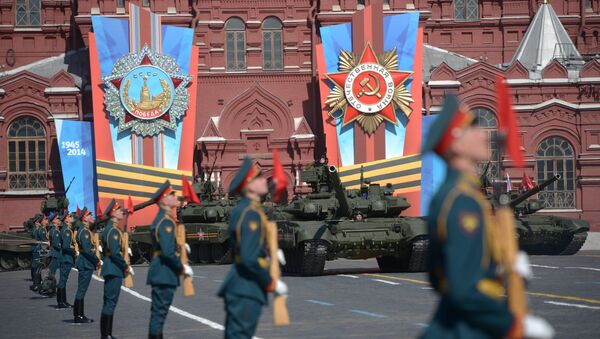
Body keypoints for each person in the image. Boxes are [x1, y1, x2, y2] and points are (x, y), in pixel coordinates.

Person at [420, 95, 554, 339]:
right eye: (474, 127)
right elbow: (462, 291)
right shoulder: (462, 203)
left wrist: (495, 270)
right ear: (456, 144)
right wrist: (510, 325)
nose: (484, 134)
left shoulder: (459, 195)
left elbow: (440, 276)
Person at [218, 157, 288, 339]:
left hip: (242, 286)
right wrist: (270, 282)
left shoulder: (248, 210)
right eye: (258, 178)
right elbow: (249, 258)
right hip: (246, 287)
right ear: (249, 186)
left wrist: (268, 251)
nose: (263, 181)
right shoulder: (250, 214)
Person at [147, 181, 194, 338]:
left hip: (162, 272)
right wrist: (181, 267)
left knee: (159, 316)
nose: (176, 197)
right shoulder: (166, 221)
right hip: (164, 273)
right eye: (172, 194)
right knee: (159, 316)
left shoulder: (165, 219)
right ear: (164, 200)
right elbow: (167, 252)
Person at [100, 199, 132, 339]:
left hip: (111, 268)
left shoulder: (110, 228)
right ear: (113, 213)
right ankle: (106, 335)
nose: (121, 212)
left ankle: (107, 334)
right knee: (110, 302)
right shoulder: (112, 230)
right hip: (114, 269)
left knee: (109, 302)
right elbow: (114, 252)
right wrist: (125, 266)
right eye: (119, 210)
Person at [73, 207, 99, 324]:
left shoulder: (84, 231)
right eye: (90, 215)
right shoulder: (84, 232)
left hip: (84, 263)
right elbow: (87, 251)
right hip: (85, 263)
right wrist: (97, 260)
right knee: (81, 290)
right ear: (85, 219)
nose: (92, 217)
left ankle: (79, 314)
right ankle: (78, 315)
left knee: (81, 289)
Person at [57, 211, 76, 309]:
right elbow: (66, 247)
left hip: (64, 258)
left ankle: (63, 301)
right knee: (63, 280)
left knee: (63, 280)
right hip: (66, 258)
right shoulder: (67, 231)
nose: (72, 218)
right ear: (66, 220)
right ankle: (61, 302)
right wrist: (75, 252)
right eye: (70, 216)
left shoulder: (65, 229)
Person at [30, 214, 44, 292]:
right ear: (36, 223)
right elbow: (43, 240)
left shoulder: (34, 229)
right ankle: (37, 283)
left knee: (35, 267)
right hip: (38, 250)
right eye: (39, 221)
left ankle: (36, 281)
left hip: (35, 249)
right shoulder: (39, 230)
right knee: (38, 267)